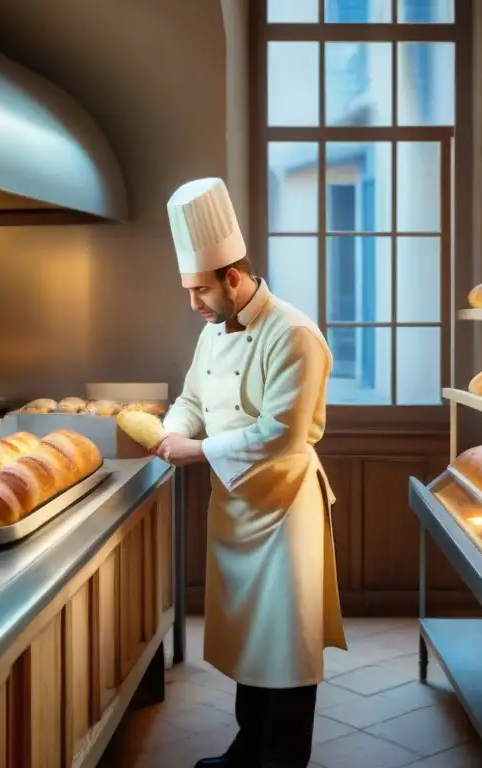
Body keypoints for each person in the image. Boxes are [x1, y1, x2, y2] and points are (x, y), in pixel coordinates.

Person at [155, 177, 346, 768]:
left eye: (200, 291)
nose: (195, 305)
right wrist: (169, 430)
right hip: (237, 507)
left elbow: (282, 433)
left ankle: (281, 759)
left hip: (284, 508)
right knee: (250, 641)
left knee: (284, 645)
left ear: (232, 278)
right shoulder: (214, 330)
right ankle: (247, 751)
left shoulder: (294, 334)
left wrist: (195, 452)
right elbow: (191, 399)